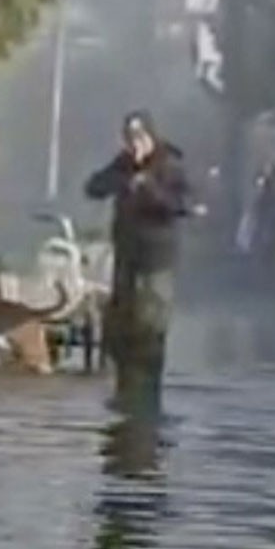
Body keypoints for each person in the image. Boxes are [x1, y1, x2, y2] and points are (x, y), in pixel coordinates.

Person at [85, 110, 191, 406]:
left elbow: (181, 205)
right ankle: (124, 392)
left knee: (149, 330)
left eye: (140, 138)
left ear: (151, 137)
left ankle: (146, 399)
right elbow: (93, 187)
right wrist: (119, 181)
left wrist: (149, 188)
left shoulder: (170, 165)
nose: (134, 145)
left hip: (156, 261)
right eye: (129, 138)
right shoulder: (123, 164)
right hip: (126, 258)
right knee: (120, 328)